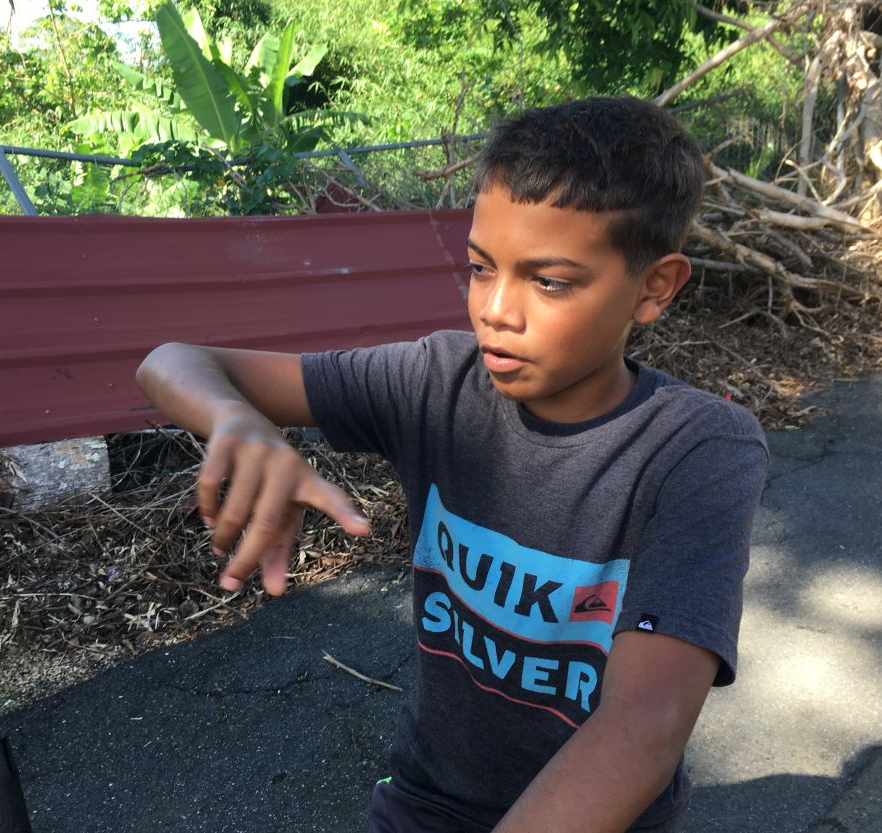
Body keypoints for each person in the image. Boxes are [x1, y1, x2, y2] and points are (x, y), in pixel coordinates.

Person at [135, 96, 769, 833]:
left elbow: (644, 726)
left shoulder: (699, 448)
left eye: (551, 280)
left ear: (655, 286)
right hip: (426, 798)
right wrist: (239, 420)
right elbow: (172, 362)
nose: (497, 309)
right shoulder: (436, 381)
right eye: (479, 266)